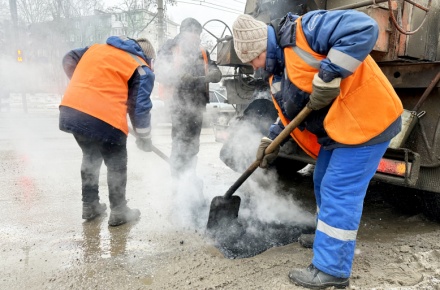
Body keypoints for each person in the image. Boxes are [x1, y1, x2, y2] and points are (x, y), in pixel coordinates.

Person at [232, 10, 403, 289]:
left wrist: (330, 73)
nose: (255, 67)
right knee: (322, 179)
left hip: (367, 120)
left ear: (262, 46)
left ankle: (331, 270)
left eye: (253, 59)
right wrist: (271, 140)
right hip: (341, 129)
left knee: (339, 188)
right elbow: (290, 114)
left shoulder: (306, 30)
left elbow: (365, 28)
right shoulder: (278, 73)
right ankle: (327, 239)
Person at [59, 36, 156, 227]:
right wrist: (145, 138)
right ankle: (119, 211)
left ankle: (90, 205)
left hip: (72, 109)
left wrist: (85, 86)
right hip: (104, 116)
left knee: (90, 157)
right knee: (116, 163)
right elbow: (140, 108)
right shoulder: (141, 66)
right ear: (147, 56)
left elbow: (68, 58)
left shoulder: (97, 49)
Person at [154, 18, 222, 197]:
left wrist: (214, 73)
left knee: (193, 145)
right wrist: (178, 77)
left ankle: (189, 178)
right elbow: (160, 72)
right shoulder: (170, 49)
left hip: (198, 105)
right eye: (193, 33)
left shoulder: (202, 52)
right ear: (183, 32)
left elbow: (215, 70)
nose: (196, 38)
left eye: (198, 34)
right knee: (179, 144)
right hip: (178, 105)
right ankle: (177, 183)